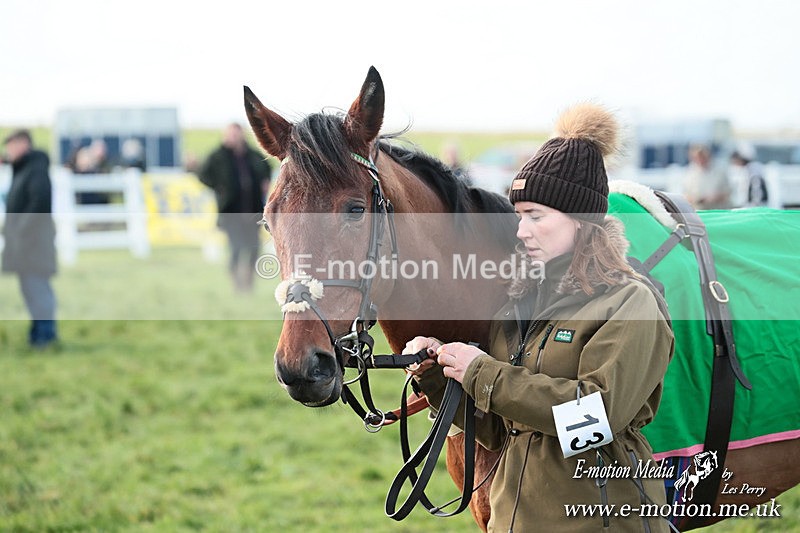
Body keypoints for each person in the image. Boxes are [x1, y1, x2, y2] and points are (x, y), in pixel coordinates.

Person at [404, 104, 674, 532]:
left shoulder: (629, 303)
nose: (521, 230)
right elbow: (500, 431)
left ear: (581, 221)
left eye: (536, 216)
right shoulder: (517, 307)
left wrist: (484, 373)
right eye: (518, 215)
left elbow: (593, 422)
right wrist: (439, 378)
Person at [2, 129, 59, 348]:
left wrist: (18, 231)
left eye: (11, 145)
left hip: (33, 243)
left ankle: (45, 337)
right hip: (25, 243)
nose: (9, 151)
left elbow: (38, 204)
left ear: (23, 144)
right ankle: (38, 335)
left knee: (37, 289)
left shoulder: (35, 169)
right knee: (30, 289)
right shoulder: (25, 169)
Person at [198, 123, 272, 292]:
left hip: (252, 210)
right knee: (236, 248)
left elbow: (267, 168)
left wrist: (265, 182)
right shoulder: (218, 156)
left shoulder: (253, 155)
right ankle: (237, 284)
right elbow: (203, 174)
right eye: (230, 134)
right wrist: (219, 187)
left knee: (254, 248)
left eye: (236, 134)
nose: (233, 137)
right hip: (231, 211)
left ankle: (249, 281)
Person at [682, 144, 731, 209]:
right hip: (698, 210)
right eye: (696, 157)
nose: (700, 160)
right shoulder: (689, 173)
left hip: (717, 209)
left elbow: (727, 193)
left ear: (708, 156)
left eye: (702, 156)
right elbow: (685, 195)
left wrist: (714, 198)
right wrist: (695, 199)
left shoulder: (720, 171)